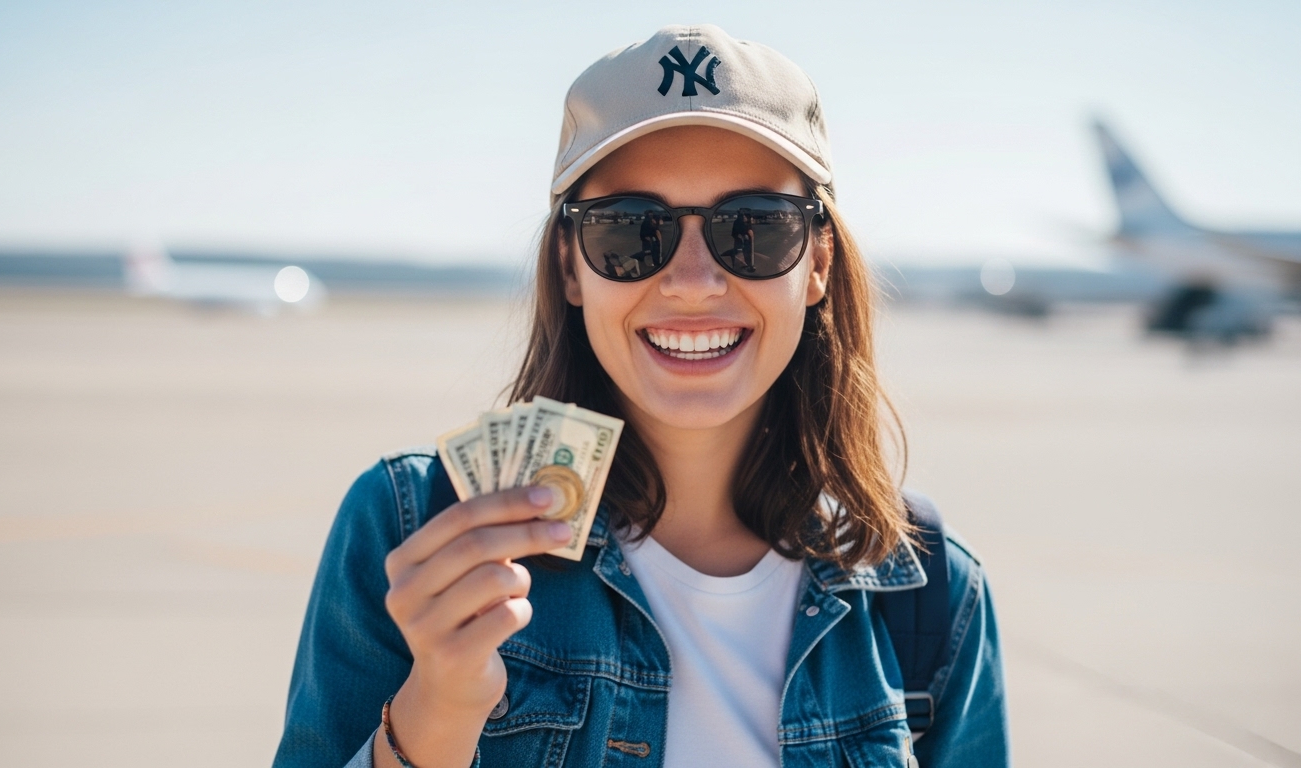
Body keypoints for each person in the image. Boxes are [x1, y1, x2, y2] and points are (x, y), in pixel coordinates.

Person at [274, 24, 1008, 768]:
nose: (692, 282)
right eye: (630, 231)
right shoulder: (411, 529)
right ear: (570, 265)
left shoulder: (932, 598)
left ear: (817, 262)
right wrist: (435, 716)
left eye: (752, 229)